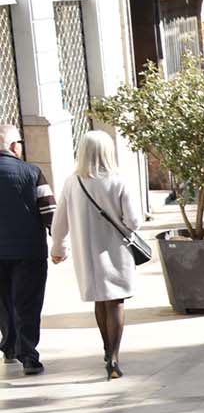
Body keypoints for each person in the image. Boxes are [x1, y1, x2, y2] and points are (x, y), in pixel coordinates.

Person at [48, 130, 141, 380]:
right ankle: (115, 356)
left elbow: (59, 221)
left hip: (86, 253)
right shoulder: (119, 182)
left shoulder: (72, 183)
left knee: (100, 300)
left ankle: (107, 349)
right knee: (116, 301)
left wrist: (58, 248)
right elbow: (133, 221)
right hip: (115, 250)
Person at [0, 124, 53, 375]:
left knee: (4, 302)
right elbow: (49, 210)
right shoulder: (32, 172)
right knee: (28, 303)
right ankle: (29, 356)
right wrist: (59, 240)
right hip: (29, 251)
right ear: (14, 146)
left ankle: (10, 346)